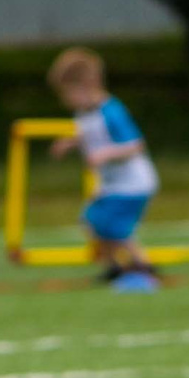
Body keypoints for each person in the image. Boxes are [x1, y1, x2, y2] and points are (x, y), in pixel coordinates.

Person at [45, 47, 160, 287]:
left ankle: (143, 264)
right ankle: (114, 266)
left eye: (68, 93)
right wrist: (69, 143)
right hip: (111, 183)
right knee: (92, 220)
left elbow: (135, 145)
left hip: (133, 183)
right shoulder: (83, 113)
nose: (64, 100)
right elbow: (87, 133)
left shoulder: (111, 111)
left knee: (111, 225)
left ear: (88, 85)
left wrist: (106, 154)